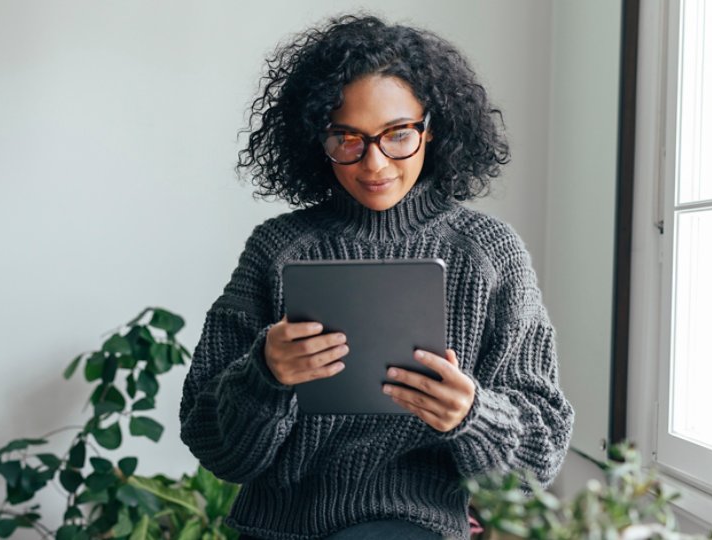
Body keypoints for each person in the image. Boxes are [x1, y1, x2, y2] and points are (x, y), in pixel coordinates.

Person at [178, 14, 574, 540]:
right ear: (317, 137)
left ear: (430, 128)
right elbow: (212, 443)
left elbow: (537, 456)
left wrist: (472, 415)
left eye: (397, 135)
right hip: (279, 526)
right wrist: (265, 375)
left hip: (415, 522)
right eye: (348, 139)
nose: (374, 163)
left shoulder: (489, 254)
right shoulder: (276, 250)